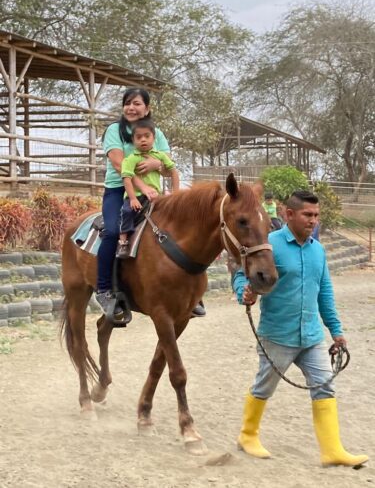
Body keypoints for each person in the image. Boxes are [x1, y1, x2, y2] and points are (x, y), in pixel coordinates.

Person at [232, 190, 368, 467]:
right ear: (288, 214)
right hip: (277, 334)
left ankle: (332, 451)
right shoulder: (269, 243)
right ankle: (247, 436)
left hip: (312, 336)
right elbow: (239, 272)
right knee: (264, 387)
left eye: (316, 215)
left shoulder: (318, 250)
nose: (313, 220)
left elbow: (325, 293)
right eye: (308, 215)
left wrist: (336, 330)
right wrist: (243, 292)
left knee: (325, 386)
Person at [96, 87, 205, 320]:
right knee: (113, 230)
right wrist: (141, 186)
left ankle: (191, 290)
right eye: (127, 103)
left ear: (147, 108)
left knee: (179, 229)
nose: (131, 108)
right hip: (120, 190)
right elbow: (119, 165)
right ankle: (104, 289)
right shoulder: (114, 130)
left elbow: (168, 167)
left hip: (154, 192)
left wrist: (158, 167)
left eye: (136, 103)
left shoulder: (158, 133)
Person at [117, 118, 179, 259]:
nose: (143, 140)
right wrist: (132, 198)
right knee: (126, 211)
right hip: (136, 195)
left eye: (147, 136)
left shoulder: (160, 156)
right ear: (133, 140)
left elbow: (174, 172)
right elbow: (127, 178)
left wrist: (176, 194)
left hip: (155, 196)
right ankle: (123, 242)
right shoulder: (130, 159)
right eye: (139, 137)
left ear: (154, 138)